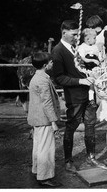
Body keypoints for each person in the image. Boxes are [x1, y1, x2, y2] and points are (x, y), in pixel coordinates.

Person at [51, 20, 98, 173]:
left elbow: (80, 67)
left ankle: (91, 156)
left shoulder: (74, 48)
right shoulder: (58, 51)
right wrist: (81, 80)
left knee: (90, 125)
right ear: (64, 32)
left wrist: (91, 73)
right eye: (74, 34)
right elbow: (59, 78)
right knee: (71, 126)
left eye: (78, 34)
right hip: (74, 96)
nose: (77, 37)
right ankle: (68, 160)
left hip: (88, 93)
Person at [27, 52, 62, 187]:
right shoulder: (42, 80)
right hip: (44, 119)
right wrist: (53, 122)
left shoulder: (37, 77)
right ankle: (45, 177)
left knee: (38, 146)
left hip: (37, 118)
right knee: (46, 148)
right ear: (44, 65)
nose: (52, 64)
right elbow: (46, 102)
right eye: (51, 62)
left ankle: (37, 170)